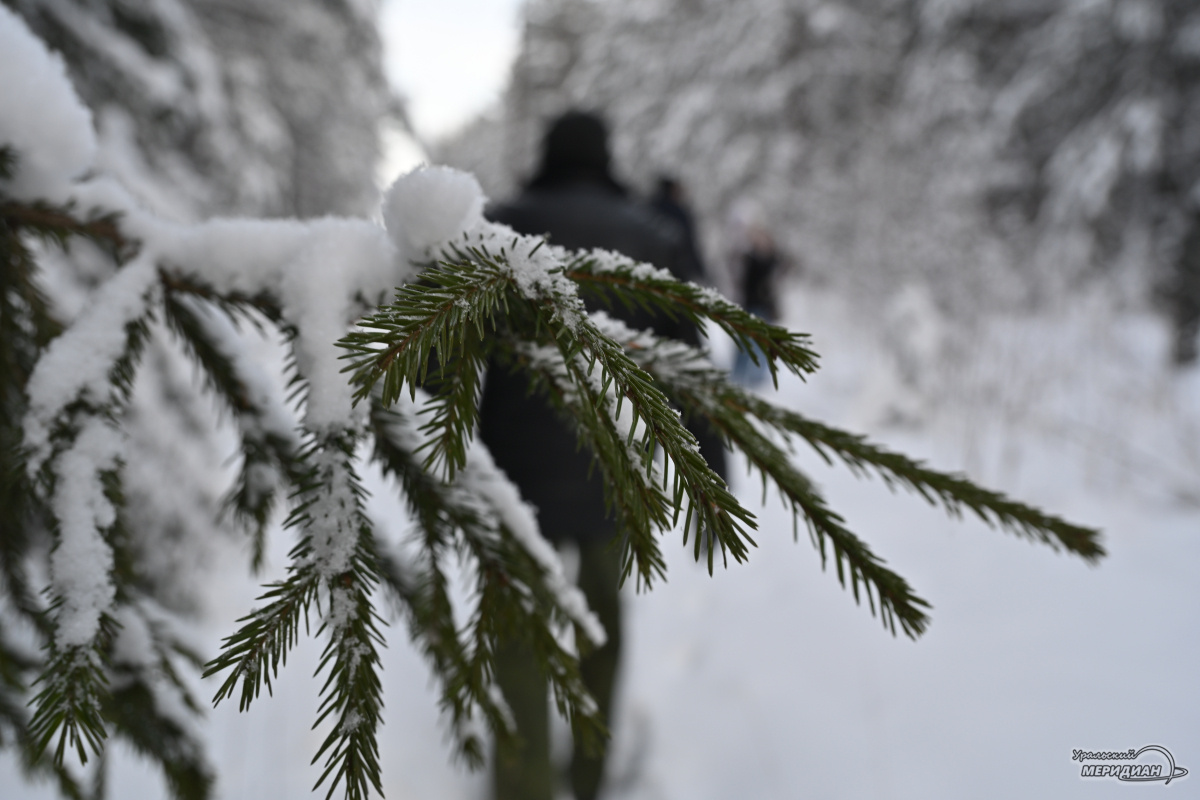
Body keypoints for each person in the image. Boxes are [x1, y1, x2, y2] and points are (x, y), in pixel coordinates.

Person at [479, 111, 701, 800]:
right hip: (611, 463)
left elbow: (449, 345)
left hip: (512, 468)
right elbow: (688, 360)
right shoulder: (654, 236)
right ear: (607, 158)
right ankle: (590, 774)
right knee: (601, 624)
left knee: (517, 630)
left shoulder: (495, 224)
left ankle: (524, 784)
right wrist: (707, 461)